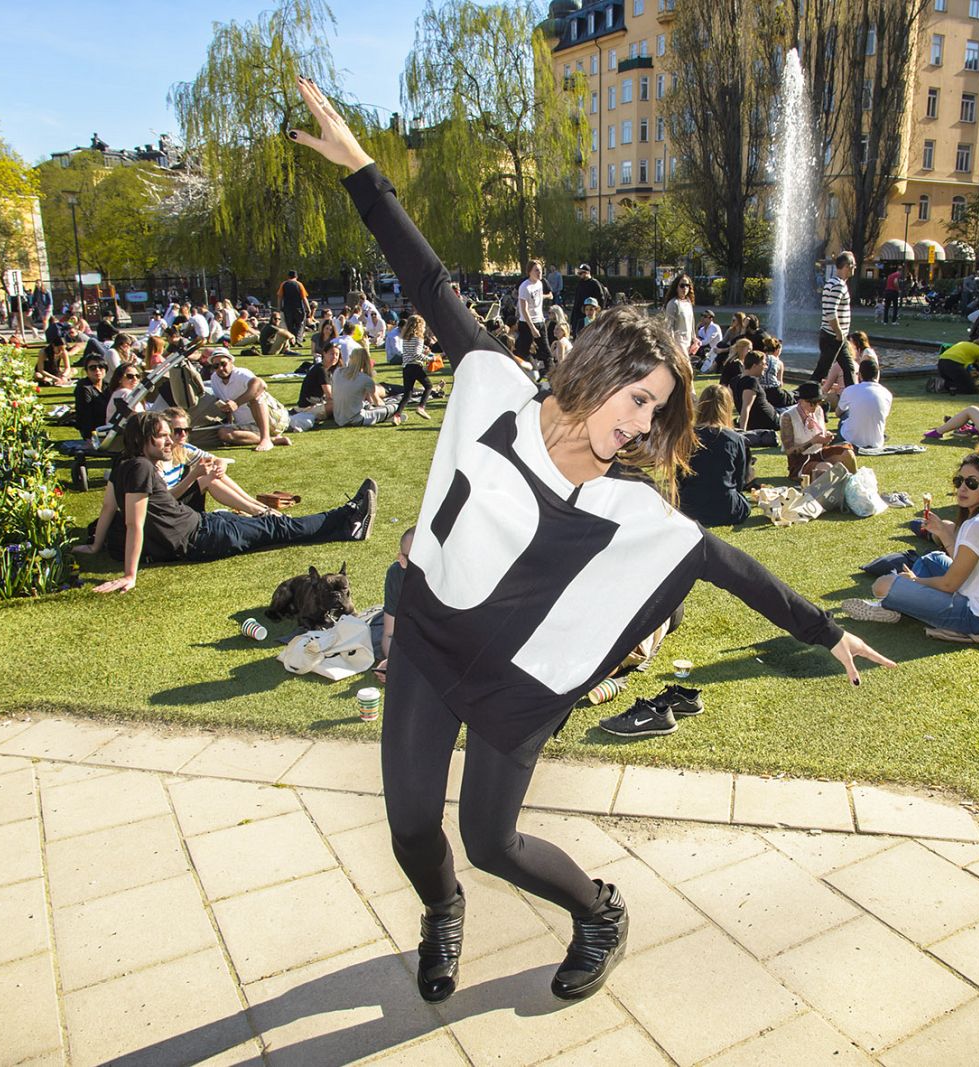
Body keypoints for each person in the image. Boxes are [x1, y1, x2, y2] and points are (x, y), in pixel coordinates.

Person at [288, 76, 892, 1006]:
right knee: (414, 825)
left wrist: (823, 628)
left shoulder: (627, 506)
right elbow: (429, 280)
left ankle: (598, 911)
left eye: (656, 409)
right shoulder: (494, 386)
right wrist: (364, 171)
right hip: (429, 642)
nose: (643, 422)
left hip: (514, 689)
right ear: (595, 367)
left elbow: (728, 565)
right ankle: (440, 909)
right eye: (638, 397)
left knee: (495, 840)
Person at [74, 411, 376, 591]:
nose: (171, 441)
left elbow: (107, 509)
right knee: (278, 529)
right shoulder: (140, 467)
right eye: (163, 436)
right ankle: (348, 519)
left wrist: (95, 546)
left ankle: (342, 520)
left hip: (204, 525)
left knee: (272, 524)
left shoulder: (123, 463)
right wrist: (130, 575)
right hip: (202, 538)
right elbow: (132, 522)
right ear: (142, 439)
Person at [846, 448, 979, 635]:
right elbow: (965, 565)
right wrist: (943, 533)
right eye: (959, 481)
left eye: (971, 483)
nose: (962, 488)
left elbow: (949, 585)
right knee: (932, 558)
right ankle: (897, 604)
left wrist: (915, 581)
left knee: (883, 584)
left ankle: (892, 605)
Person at [677, 385, 752, 527]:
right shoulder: (735, 439)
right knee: (744, 503)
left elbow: (679, 478)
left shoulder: (685, 437)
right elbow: (739, 480)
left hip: (690, 508)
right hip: (727, 508)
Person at [195, 349, 288, 451]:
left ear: (231, 362)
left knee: (256, 396)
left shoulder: (241, 373)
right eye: (216, 366)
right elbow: (226, 404)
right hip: (249, 426)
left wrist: (236, 403)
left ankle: (265, 439)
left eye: (223, 364)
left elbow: (261, 384)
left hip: (274, 419)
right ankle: (272, 440)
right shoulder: (214, 379)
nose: (220, 368)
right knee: (223, 433)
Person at [780, 382, 858, 480]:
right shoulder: (788, 417)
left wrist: (826, 438)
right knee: (826, 468)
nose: (815, 406)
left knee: (847, 453)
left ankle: (854, 483)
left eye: (818, 402)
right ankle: (834, 489)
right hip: (801, 461)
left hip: (819, 453)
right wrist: (813, 441)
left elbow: (821, 437)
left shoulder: (818, 410)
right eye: (812, 403)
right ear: (801, 401)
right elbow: (789, 451)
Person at [375, 525, 415, 683]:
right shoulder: (396, 575)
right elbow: (389, 633)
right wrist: (393, 662)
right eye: (416, 558)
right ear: (402, 560)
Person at [835, 350, 892, 450]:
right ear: (877, 374)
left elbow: (838, 412)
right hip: (876, 441)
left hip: (851, 439)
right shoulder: (887, 394)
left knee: (845, 414)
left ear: (860, 375)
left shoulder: (850, 390)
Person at [330, 346, 400, 426]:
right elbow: (377, 402)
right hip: (357, 419)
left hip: (338, 418)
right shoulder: (365, 379)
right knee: (395, 407)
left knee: (366, 406)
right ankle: (387, 416)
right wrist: (386, 407)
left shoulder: (337, 372)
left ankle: (381, 414)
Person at [813, 252, 855, 383]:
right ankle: (801, 397)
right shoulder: (838, 285)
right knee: (821, 373)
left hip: (834, 335)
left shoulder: (832, 283)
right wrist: (838, 333)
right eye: (853, 265)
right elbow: (830, 311)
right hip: (833, 336)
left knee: (849, 369)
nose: (855, 268)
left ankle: (853, 398)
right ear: (847, 266)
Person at [392, 314, 433, 425]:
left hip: (406, 367)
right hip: (415, 366)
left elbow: (410, 352)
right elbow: (416, 355)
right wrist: (429, 359)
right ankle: (421, 407)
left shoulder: (406, 338)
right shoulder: (418, 338)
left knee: (407, 394)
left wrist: (423, 351)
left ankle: (397, 415)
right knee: (429, 386)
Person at [515, 260, 551, 372]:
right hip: (527, 323)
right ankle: (530, 371)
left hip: (540, 320)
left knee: (546, 352)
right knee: (522, 351)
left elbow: (538, 297)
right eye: (536, 270)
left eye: (540, 270)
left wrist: (547, 296)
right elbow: (524, 310)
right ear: (530, 272)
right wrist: (532, 328)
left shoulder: (540, 284)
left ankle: (551, 376)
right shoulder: (525, 287)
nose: (539, 273)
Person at [734, 349, 781, 432]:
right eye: (763, 364)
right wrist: (743, 432)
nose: (766, 367)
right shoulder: (751, 382)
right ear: (754, 366)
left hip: (765, 418)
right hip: (769, 423)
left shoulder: (735, 380)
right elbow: (746, 407)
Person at [73, 357, 112, 439]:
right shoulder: (84, 388)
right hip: (93, 431)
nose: (97, 370)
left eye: (101, 367)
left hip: (108, 427)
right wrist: (90, 437)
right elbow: (84, 415)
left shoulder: (107, 385)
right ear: (87, 371)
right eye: (92, 368)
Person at [662, 273, 695, 359]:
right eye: (682, 285)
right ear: (676, 287)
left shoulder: (688, 302)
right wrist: (672, 345)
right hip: (678, 342)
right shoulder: (673, 303)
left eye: (687, 285)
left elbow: (691, 323)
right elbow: (669, 326)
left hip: (688, 342)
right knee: (688, 369)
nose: (685, 288)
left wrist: (694, 338)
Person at [569, 264, 608, 331]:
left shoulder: (594, 283)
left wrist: (599, 313)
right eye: (579, 273)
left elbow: (601, 300)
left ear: (588, 273)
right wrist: (572, 319)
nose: (580, 275)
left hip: (590, 314)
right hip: (579, 314)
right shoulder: (580, 284)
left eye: (582, 273)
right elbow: (577, 301)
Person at [278, 270, 312, 342]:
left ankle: (292, 340)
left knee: (289, 325)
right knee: (300, 324)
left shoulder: (283, 284)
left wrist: (280, 307)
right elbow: (304, 298)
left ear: (288, 276)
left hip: (287, 308)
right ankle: (298, 339)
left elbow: (280, 297)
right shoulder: (299, 284)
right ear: (296, 276)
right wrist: (308, 309)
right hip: (298, 308)